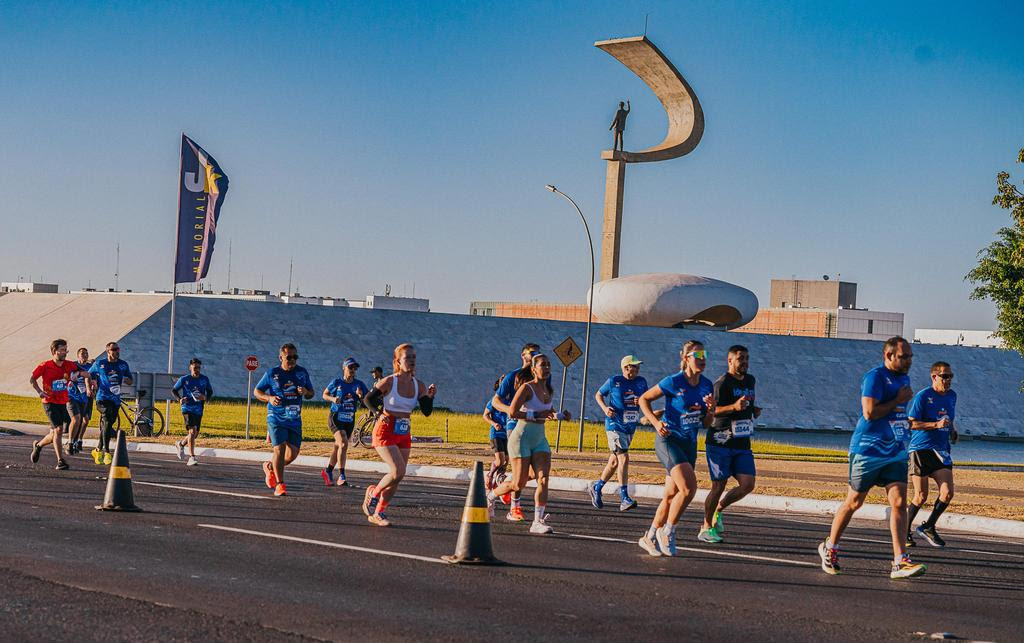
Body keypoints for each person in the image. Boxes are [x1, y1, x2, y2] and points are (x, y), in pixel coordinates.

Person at [818, 336, 926, 579]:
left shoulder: (903, 378)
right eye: (904, 356)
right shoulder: (875, 377)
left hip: (895, 450)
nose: (909, 361)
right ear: (889, 356)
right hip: (868, 450)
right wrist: (897, 400)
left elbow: (896, 413)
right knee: (854, 502)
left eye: (910, 356)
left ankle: (900, 561)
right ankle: (830, 547)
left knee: (898, 502)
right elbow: (869, 413)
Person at [636, 340, 715, 556]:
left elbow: (706, 424)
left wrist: (711, 411)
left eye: (705, 355)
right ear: (686, 358)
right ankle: (668, 531)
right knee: (688, 489)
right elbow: (643, 399)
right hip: (669, 440)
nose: (702, 359)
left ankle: (649, 536)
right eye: (697, 355)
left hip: (689, 443)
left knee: (671, 495)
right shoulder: (673, 381)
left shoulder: (707, 385)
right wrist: (655, 422)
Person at [487, 354, 570, 535]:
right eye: (542, 365)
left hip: (539, 439)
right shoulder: (526, 388)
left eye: (548, 365)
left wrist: (560, 415)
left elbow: (547, 412)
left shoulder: (549, 390)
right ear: (533, 369)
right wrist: (531, 415)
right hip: (521, 438)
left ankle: (537, 522)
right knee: (518, 484)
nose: (547, 368)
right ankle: (491, 496)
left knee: (543, 478)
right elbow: (512, 412)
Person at [361, 343, 437, 526]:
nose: (411, 361)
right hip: (385, 429)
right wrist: (379, 414)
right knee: (397, 471)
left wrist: (430, 396)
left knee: (398, 476)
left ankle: (379, 512)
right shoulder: (389, 381)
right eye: (407, 358)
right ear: (397, 361)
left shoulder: (418, 385)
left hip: (403, 430)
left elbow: (426, 411)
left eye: (414, 357)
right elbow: (368, 399)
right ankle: (374, 492)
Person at [699, 345, 761, 543]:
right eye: (741, 358)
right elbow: (711, 412)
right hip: (720, 441)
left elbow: (746, 403)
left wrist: (753, 410)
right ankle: (705, 527)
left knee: (747, 484)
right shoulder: (722, 383)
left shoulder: (751, 380)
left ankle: (719, 508)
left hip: (742, 442)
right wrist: (733, 407)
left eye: (747, 358)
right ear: (730, 361)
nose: (745, 362)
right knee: (718, 485)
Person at [906, 361, 958, 548]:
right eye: (944, 376)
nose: (948, 380)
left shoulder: (952, 396)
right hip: (921, 449)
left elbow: (949, 418)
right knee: (921, 495)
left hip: (942, 450)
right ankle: (904, 531)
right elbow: (911, 423)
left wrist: (952, 431)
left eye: (950, 376)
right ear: (934, 377)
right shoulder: (923, 396)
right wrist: (934, 425)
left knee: (947, 493)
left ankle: (928, 526)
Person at [489, 343, 541, 522]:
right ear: (523, 356)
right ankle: (515, 507)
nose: (535, 356)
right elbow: (495, 401)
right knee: (521, 467)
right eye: (531, 353)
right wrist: (512, 410)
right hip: (514, 426)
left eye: (538, 354)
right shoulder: (513, 376)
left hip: (535, 427)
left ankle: (506, 487)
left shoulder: (542, 378)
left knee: (535, 473)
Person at [588, 355, 647, 511]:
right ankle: (624, 498)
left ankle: (597, 487)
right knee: (624, 458)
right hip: (614, 425)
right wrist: (605, 409)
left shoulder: (641, 382)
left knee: (614, 462)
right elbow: (598, 394)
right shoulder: (614, 381)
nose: (637, 368)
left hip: (630, 426)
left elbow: (646, 399)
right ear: (626, 367)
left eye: (638, 366)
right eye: (634, 366)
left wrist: (640, 400)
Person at [254, 343, 314, 496]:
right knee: (279, 449)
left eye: (295, 357)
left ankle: (270, 467)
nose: (292, 360)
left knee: (292, 454)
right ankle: (280, 484)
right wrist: (269, 398)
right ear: (281, 357)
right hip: (276, 417)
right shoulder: (272, 373)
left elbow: (311, 393)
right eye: (289, 357)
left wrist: (305, 391)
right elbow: (257, 391)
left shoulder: (302, 373)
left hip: (294, 419)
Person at [29, 339, 83, 470]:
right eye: (62, 350)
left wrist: (89, 379)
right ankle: (60, 461)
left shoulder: (69, 365)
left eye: (66, 350)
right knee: (58, 430)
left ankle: (39, 445)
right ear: (54, 351)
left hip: (62, 402)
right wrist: (40, 392)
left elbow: (82, 371)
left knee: (55, 433)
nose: (65, 352)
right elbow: (32, 379)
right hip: (49, 402)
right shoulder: (45, 365)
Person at [321, 357, 369, 486]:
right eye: (350, 367)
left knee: (339, 446)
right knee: (343, 443)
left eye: (355, 368)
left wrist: (360, 396)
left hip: (349, 418)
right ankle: (342, 475)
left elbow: (367, 402)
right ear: (344, 368)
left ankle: (328, 471)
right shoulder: (337, 382)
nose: (353, 370)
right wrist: (333, 399)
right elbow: (324, 394)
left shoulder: (359, 384)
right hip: (336, 416)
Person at [88, 342, 133, 466]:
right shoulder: (100, 364)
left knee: (108, 424)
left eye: (118, 349)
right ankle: (107, 451)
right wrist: (89, 387)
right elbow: (89, 374)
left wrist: (125, 379)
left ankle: (97, 450)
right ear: (108, 352)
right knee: (107, 417)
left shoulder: (123, 365)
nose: (117, 351)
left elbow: (130, 380)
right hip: (102, 398)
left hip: (115, 399)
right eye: (114, 349)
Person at [172, 358, 214, 466]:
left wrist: (205, 398)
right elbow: (174, 390)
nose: (197, 370)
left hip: (199, 409)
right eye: (195, 367)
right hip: (187, 408)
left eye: (199, 368)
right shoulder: (184, 379)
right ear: (190, 367)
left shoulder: (204, 379)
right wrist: (180, 399)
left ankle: (180, 444)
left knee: (195, 434)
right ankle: (191, 457)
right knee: (191, 431)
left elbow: (210, 391)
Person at [483, 378, 510, 495]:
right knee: (500, 460)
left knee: (506, 461)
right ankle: (490, 475)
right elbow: (485, 415)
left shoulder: (511, 401)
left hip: (507, 434)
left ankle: (497, 483)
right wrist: (494, 423)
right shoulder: (494, 401)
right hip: (496, 434)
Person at [66, 347, 94, 455]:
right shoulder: (73, 365)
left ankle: (78, 440)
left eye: (86, 353)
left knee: (85, 420)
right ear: (78, 356)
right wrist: (69, 381)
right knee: (76, 419)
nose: (85, 355)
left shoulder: (90, 366)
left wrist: (91, 388)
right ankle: (71, 442)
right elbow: (66, 375)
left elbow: (92, 377)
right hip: (73, 396)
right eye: (82, 353)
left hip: (86, 397)